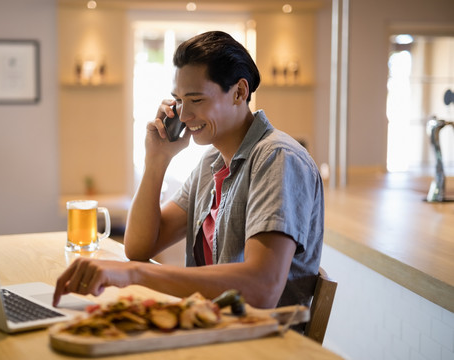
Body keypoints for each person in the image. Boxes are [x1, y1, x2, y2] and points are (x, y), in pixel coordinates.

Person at [53, 31, 324, 312]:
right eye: (178, 100)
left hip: (262, 345)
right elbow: (139, 247)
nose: (182, 116)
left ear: (239, 92)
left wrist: (135, 274)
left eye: (196, 100)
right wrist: (156, 160)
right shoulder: (211, 163)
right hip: (210, 328)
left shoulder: (278, 158)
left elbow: (262, 287)